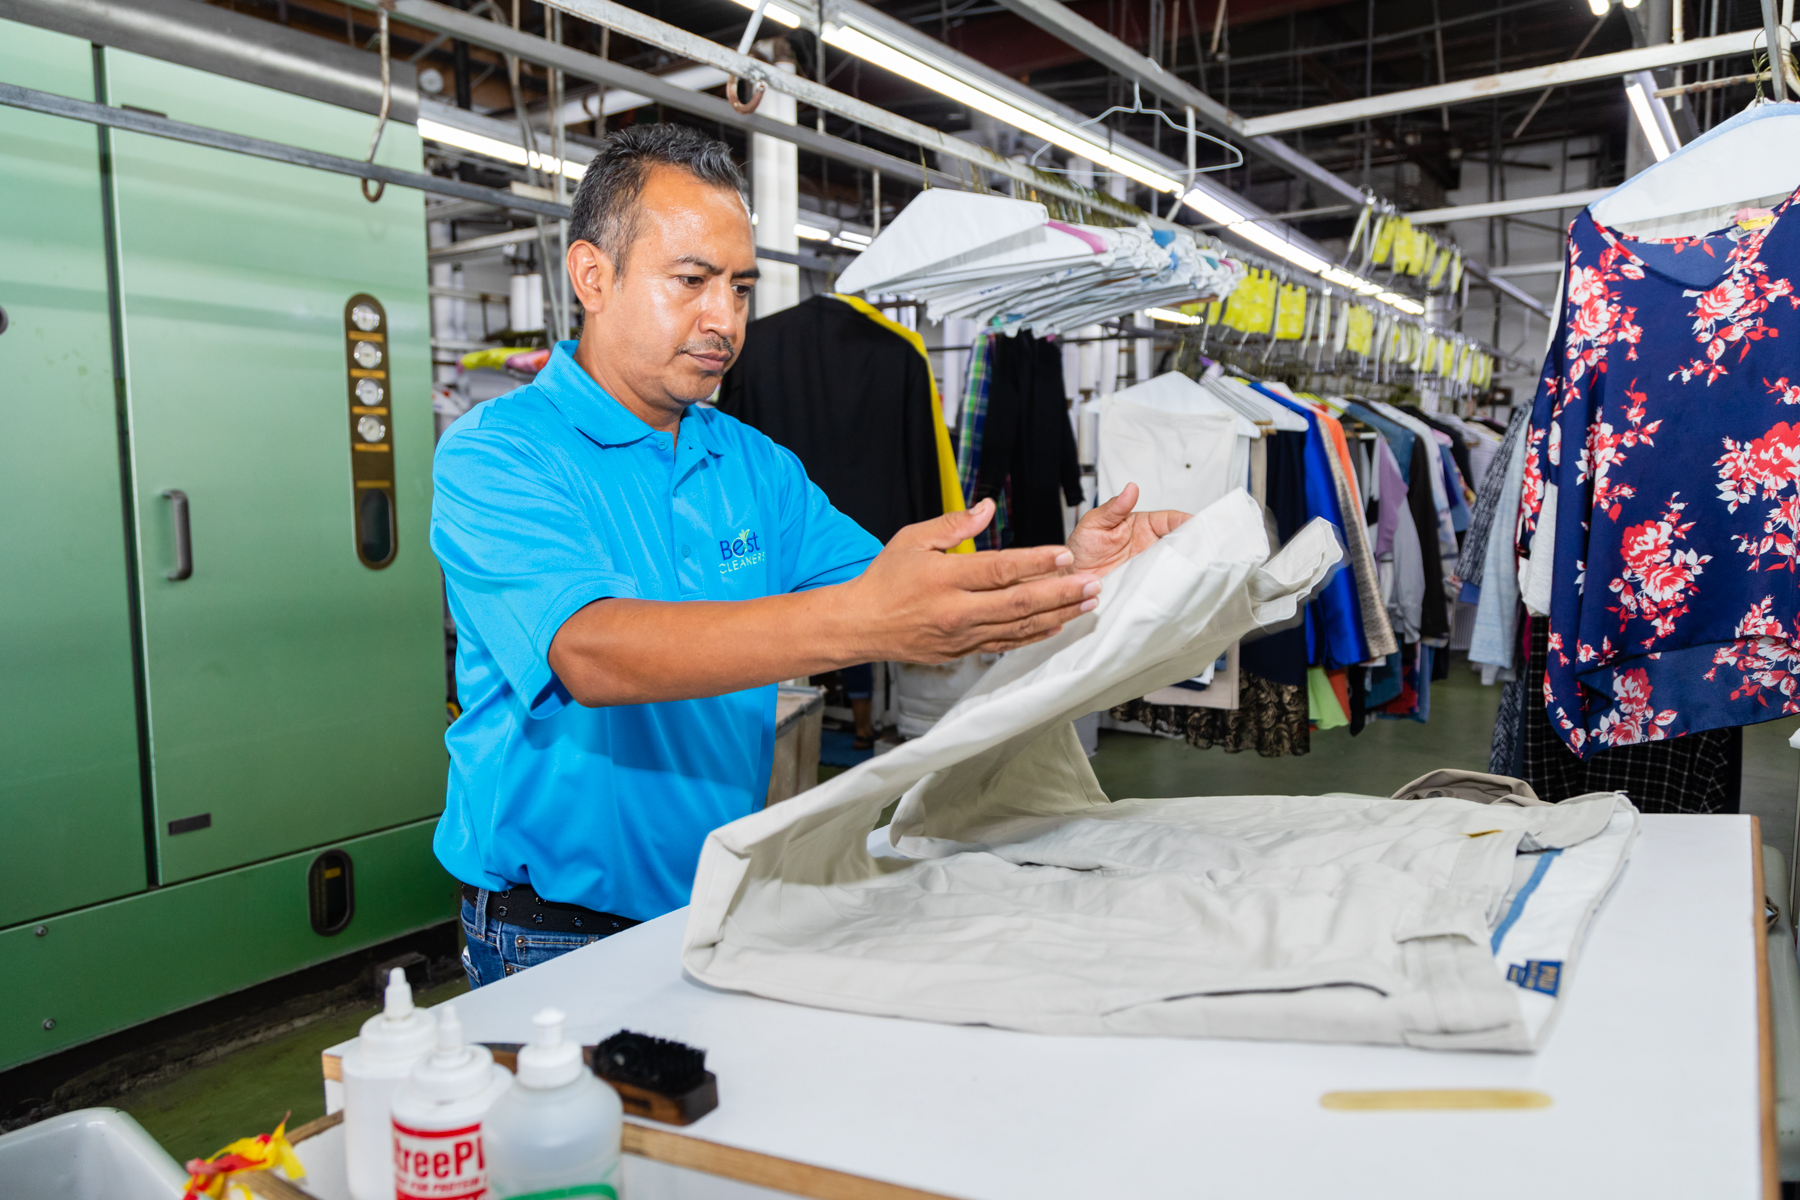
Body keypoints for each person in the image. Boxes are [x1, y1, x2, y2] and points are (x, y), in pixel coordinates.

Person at [431, 124, 1188, 987]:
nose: (724, 320)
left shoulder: (755, 466)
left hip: (720, 900)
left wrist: (1075, 572)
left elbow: (916, 603)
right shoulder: (500, 453)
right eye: (692, 281)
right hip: (551, 933)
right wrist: (862, 621)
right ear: (593, 276)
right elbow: (592, 650)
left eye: (741, 289)